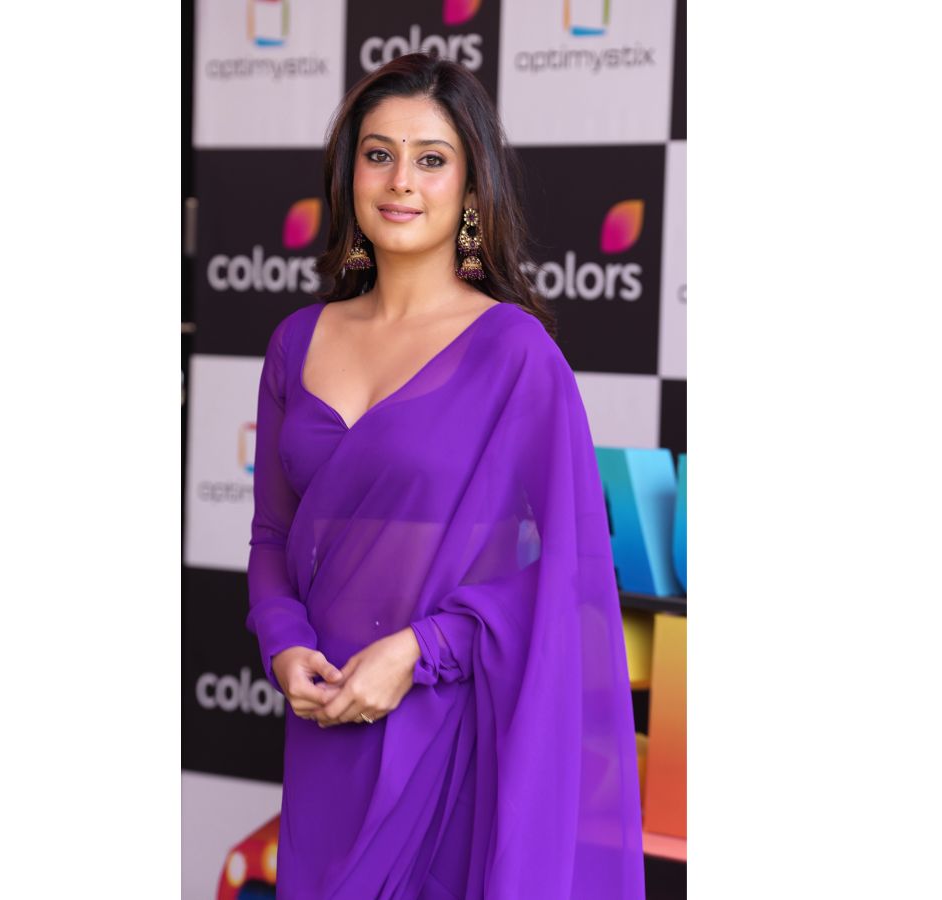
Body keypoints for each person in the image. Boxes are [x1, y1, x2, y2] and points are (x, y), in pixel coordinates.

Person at [246, 52, 646, 899]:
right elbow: (273, 534)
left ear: (470, 188)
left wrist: (422, 651)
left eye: (430, 159)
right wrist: (282, 643)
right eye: (378, 154)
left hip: (448, 723)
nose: (401, 180)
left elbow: (570, 569)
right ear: (349, 173)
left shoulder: (514, 353)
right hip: (325, 726)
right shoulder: (295, 342)